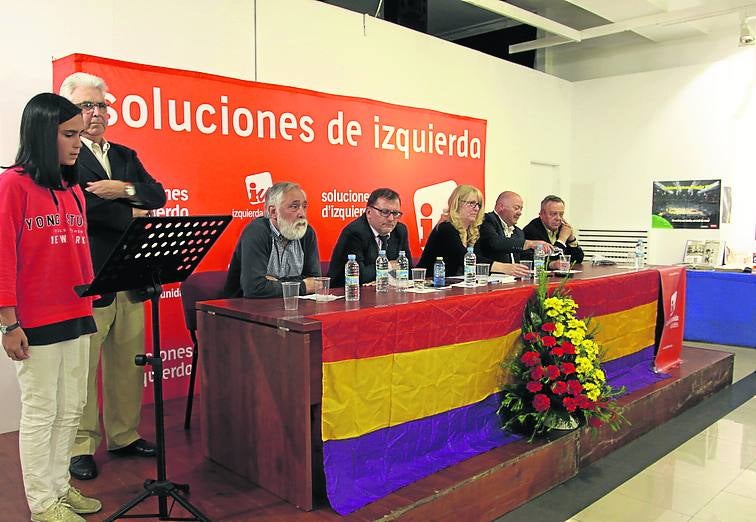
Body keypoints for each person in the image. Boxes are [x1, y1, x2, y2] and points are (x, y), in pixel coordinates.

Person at [0, 93, 102, 521]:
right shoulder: (13, 184)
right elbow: (3, 257)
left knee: (71, 408)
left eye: (79, 134)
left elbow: (79, 255)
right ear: (43, 133)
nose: (78, 143)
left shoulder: (71, 186)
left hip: (76, 314)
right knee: (42, 411)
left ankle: (61, 488)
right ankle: (43, 504)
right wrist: (9, 323)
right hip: (35, 320)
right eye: (68, 134)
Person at [60, 72, 166, 481]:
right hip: (88, 280)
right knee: (84, 369)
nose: (96, 113)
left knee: (127, 362)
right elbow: (82, 208)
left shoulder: (124, 154)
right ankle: (81, 445)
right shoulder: (63, 153)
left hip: (130, 275)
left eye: (101, 106)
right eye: (87, 105)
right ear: (70, 111)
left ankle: (123, 436)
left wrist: (121, 188)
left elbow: (156, 194)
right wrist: (133, 207)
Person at [225, 181, 322, 298]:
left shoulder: (307, 233)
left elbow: (316, 282)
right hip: (243, 310)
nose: (302, 214)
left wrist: (275, 282)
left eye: (304, 206)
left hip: (288, 307)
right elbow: (254, 288)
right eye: (294, 206)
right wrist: (303, 286)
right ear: (273, 212)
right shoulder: (257, 232)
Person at [328, 188, 413, 286]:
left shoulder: (400, 231)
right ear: (369, 212)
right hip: (346, 294)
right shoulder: (355, 232)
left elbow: (407, 270)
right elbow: (356, 275)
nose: (391, 219)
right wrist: (388, 266)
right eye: (385, 212)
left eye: (395, 213)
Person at [475, 191, 554, 270]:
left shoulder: (518, 232)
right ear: (501, 207)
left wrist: (551, 264)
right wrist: (530, 243)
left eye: (521, 209)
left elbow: (526, 259)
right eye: (516, 208)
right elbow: (495, 243)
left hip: (515, 280)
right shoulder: (486, 220)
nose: (520, 213)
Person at [418, 185, 485, 275]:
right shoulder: (446, 228)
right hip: (430, 283)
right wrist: (503, 267)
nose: (476, 209)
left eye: (478, 205)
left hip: (454, 284)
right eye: (471, 203)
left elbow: (479, 258)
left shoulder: (472, 232)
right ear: (457, 204)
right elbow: (463, 257)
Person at [523, 195, 584, 266]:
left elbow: (578, 259)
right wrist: (562, 240)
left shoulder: (563, 228)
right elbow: (547, 260)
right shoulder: (531, 230)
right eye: (553, 214)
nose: (558, 218)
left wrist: (571, 239)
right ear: (542, 214)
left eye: (561, 214)